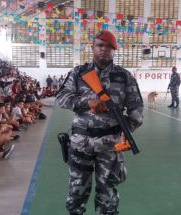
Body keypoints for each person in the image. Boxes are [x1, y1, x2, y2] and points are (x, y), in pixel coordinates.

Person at [56, 30, 144, 215]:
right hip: (81, 142)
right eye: (100, 45)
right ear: (92, 48)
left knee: (108, 196)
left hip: (111, 144)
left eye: (108, 47)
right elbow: (62, 98)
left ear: (114, 50)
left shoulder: (124, 76)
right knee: (76, 193)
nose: (104, 50)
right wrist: (87, 102)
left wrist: (126, 132)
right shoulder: (78, 72)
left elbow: (137, 110)